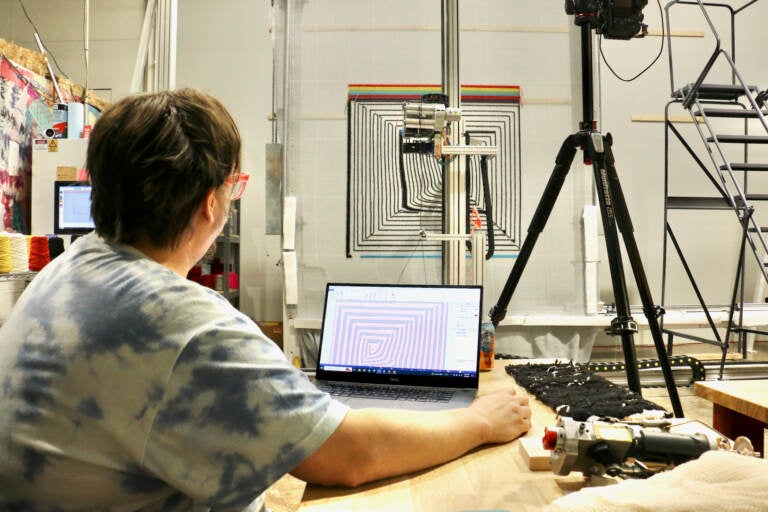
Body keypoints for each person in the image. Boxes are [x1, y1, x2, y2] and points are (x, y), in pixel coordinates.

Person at [0, 88, 531, 511]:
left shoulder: (71, 266)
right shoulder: (185, 325)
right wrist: (480, 421)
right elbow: (348, 455)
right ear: (212, 203)